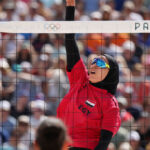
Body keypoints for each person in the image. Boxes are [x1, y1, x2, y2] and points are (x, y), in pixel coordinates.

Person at [57, 0, 121, 150]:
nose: (93, 64)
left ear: (110, 72)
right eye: (93, 61)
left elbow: (103, 143)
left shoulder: (110, 103)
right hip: (61, 143)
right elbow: (69, 40)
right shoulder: (81, 79)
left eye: (100, 63)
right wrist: (71, 7)